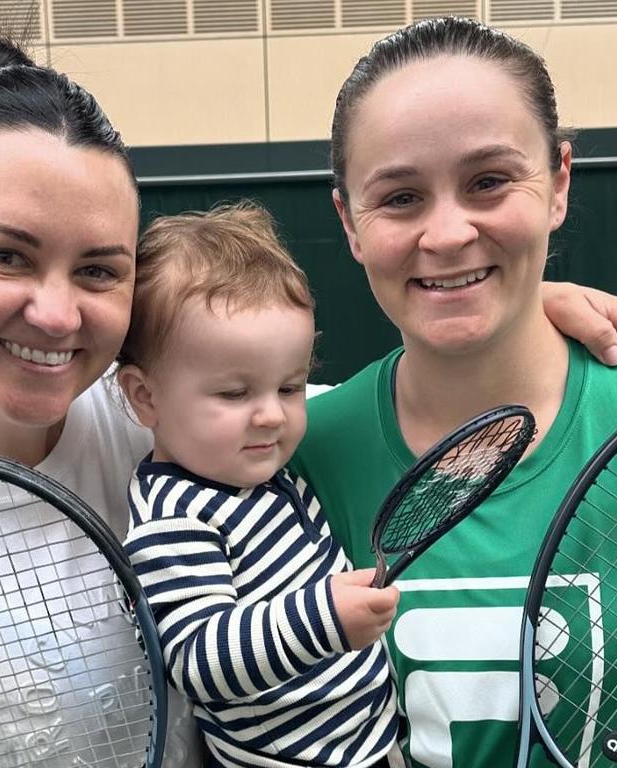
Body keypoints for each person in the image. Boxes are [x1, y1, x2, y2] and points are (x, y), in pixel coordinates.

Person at [0, 34, 617, 768]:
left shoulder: (167, 428)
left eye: (98, 268)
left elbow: (287, 376)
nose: (52, 308)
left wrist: (521, 307)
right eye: (2, 254)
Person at [289, 17, 617, 768]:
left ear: (559, 183)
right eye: (401, 197)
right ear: (349, 221)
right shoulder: (297, 452)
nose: (446, 233)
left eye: (488, 182)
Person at [116, 202, 401, 768]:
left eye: (290, 387)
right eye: (234, 394)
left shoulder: (264, 471)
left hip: (373, 740)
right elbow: (197, 662)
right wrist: (322, 618)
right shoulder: (174, 515)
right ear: (145, 397)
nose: (271, 414)